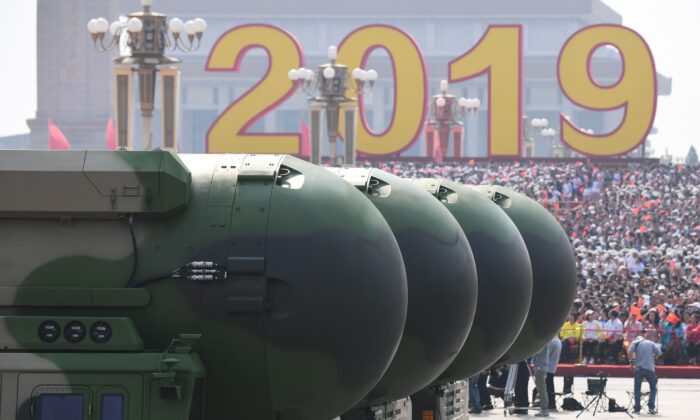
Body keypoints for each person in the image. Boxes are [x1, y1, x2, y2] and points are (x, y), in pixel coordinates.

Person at [629, 331, 661, 415]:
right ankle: (651, 407)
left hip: (639, 369)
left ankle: (637, 409)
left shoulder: (635, 342)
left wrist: (631, 362)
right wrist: (653, 358)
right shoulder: (651, 343)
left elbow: (630, 352)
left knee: (637, 389)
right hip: (650, 369)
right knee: (653, 388)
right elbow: (659, 353)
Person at [533, 344, 550, 417]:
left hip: (540, 367)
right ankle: (543, 409)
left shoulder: (543, 341)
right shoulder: (545, 340)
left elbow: (538, 352)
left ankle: (544, 409)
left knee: (541, 389)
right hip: (542, 367)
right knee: (541, 388)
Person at [546, 336, 562, 411]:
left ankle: (550, 404)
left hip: (547, 366)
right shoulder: (558, 341)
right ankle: (552, 404)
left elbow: (545, 354)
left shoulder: (552, 342)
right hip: (552, 366)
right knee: (550, 386)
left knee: (548, 387)